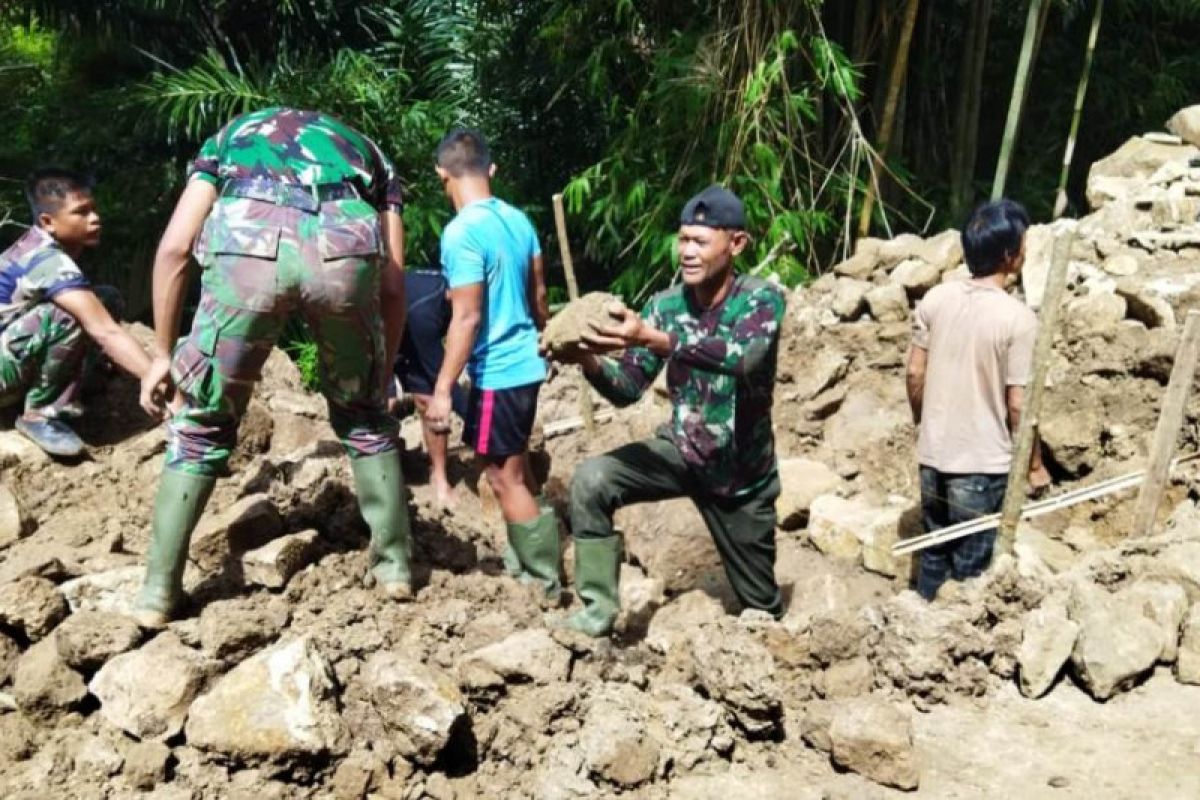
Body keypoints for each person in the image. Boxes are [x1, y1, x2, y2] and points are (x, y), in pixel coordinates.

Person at [133, 107, 411, 628]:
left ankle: (157, 593)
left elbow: (174, 249)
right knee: (366, 421)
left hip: (247, 240)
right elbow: (394, 285)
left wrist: (162, 356)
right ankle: (394, 568)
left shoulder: (231, 138)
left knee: (201, 425)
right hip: (344, 242)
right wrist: (381, 371)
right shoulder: (368, 152)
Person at [550, 185, 786, 636]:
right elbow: (628, 388)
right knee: (591, 481)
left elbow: (742, 357)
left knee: (762, 612)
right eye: (683, 240)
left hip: (741, 477)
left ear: (735, 244)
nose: (688, 252)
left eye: (700, 241)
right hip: (681, 452)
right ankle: (597, 611)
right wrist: (587, 358)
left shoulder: (760, 300)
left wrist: (655, 340)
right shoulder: (665, 305)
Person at [423, 127, 554, 600]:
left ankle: (543, 583)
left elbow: (467, 316)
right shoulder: (519, 221)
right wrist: (542, 339)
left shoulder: (461, 233)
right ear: (491, 170)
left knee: (502, 476)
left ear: (443, 175)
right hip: (527, 362)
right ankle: (536, 554)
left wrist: (442, 389)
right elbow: (539, 296)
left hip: (499, 370)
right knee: (517, 468)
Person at [905, 198, 1050, 601]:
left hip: (933, 458)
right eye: (1022, 245)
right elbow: (1018, 403)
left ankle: (920, 633)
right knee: (972, 574)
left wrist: (925, 422)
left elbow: (915, 372)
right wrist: (1035, 465)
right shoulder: (1017, 319)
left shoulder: (936, 299)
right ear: (1009, 255)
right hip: (981, 467)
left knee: (934, 553)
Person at [0, 168, 161, 456]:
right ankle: (40, 415)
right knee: (70, 315)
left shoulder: (42, 246)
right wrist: (158, 381)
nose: (95, 218)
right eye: (81, 212)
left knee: (105, 298)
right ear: (47, 221)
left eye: (94, 209)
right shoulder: (48, 261)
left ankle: (78, 383)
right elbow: (104, 330)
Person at [392, 267, 467, 508]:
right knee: (385, 403)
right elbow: (445, 382)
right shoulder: (427, 312)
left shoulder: (448, 289)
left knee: (428, 400)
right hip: (373, 333)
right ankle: (388, 479)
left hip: (405, 326)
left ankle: (440, 477)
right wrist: (485, 426)